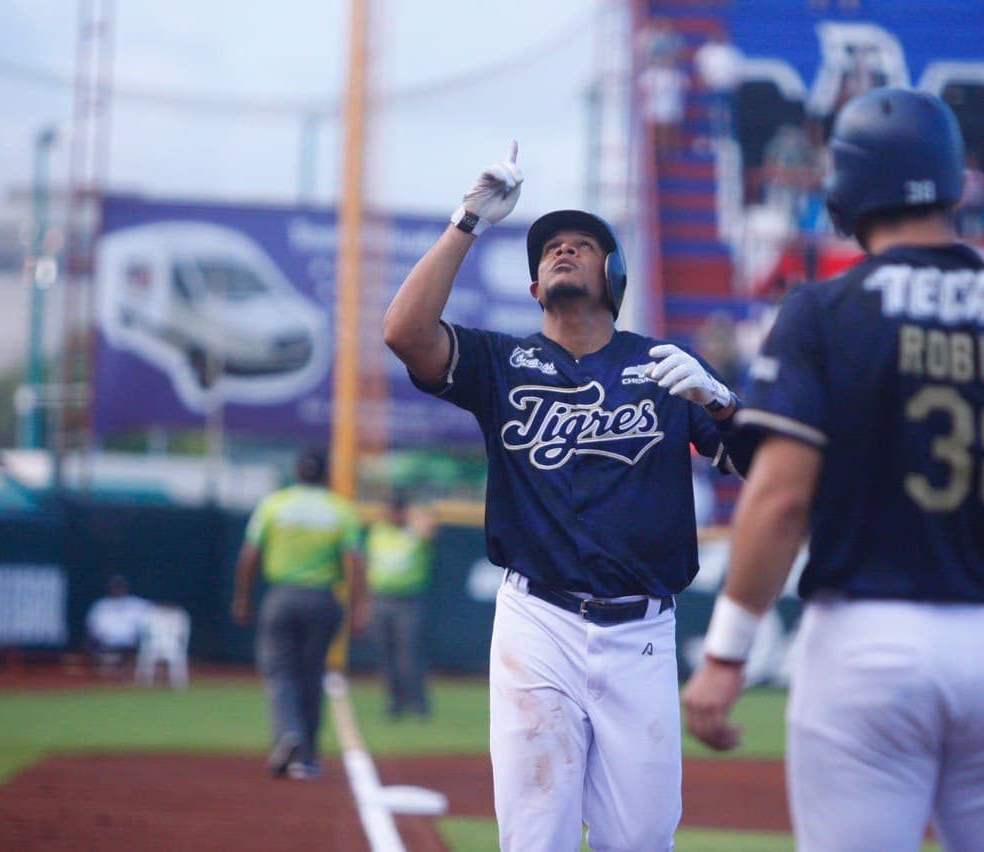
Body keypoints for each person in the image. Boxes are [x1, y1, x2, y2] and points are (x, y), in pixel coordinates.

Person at [682, 88, 984, 851]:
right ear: (954, 180)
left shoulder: (825, 309)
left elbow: (781, 499)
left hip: (866, 645)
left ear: (846, 186)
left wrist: (725, 655)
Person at [381, 141, 754, 851]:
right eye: (550, 247)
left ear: (612, 275)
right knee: (535, 835)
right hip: (538, 622)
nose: (562, 251)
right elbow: (403, 332)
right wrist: (468, 221)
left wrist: (725, 402)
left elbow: (755, 466)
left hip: (641, 631)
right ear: (531, 289)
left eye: (582, 246)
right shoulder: (501, 362)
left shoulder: (665, 367)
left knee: (642, 838)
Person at [231, 447, 367, 781]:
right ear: (326, 474)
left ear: (296, 471)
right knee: (311, 674)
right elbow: (355, 562)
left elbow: (249, 555)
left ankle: (289, 735)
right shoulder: (340, 509)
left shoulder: (275, 504)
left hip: (282, 596)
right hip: (323, 600)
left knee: (280, 672)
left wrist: (242, 598)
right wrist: (359, 606)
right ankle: (305, 756)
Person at [366, 492, 436, 720]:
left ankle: (417, 704)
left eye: (397, 509)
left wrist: (412, 513)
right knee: (386, 655)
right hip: (381, 599)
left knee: (409, 655)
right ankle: (393, 703)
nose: (393, 514)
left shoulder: (414, 531)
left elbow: (429, 528)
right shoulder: (378, 531)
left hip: (408, 600)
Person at [85, 574, 153, 677]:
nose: (118, 590)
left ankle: (128, 674)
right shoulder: (102, 605)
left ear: (125, 588)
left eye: (120, 587)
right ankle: (105, 675)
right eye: (115, 587)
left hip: (131, 643)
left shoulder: (136, 604)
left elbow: (154, 614)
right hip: (107, 643)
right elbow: (92, 627)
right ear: (110, 589)